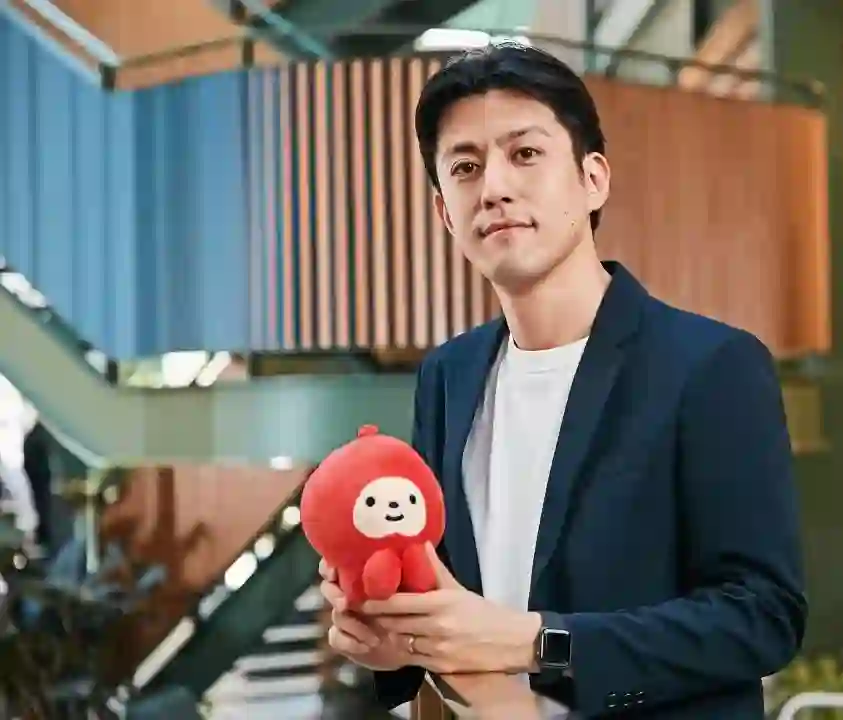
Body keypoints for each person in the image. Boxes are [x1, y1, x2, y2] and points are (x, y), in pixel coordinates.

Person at [319, 42, 807, 718]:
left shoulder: (711, 365)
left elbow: (761, 616)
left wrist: (537, 643)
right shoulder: (447, 376)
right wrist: (393, 645)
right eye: (465, 167)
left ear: (593, 179)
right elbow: (447, 601)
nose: (493, 187)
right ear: (445, 213)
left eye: (525, 153)